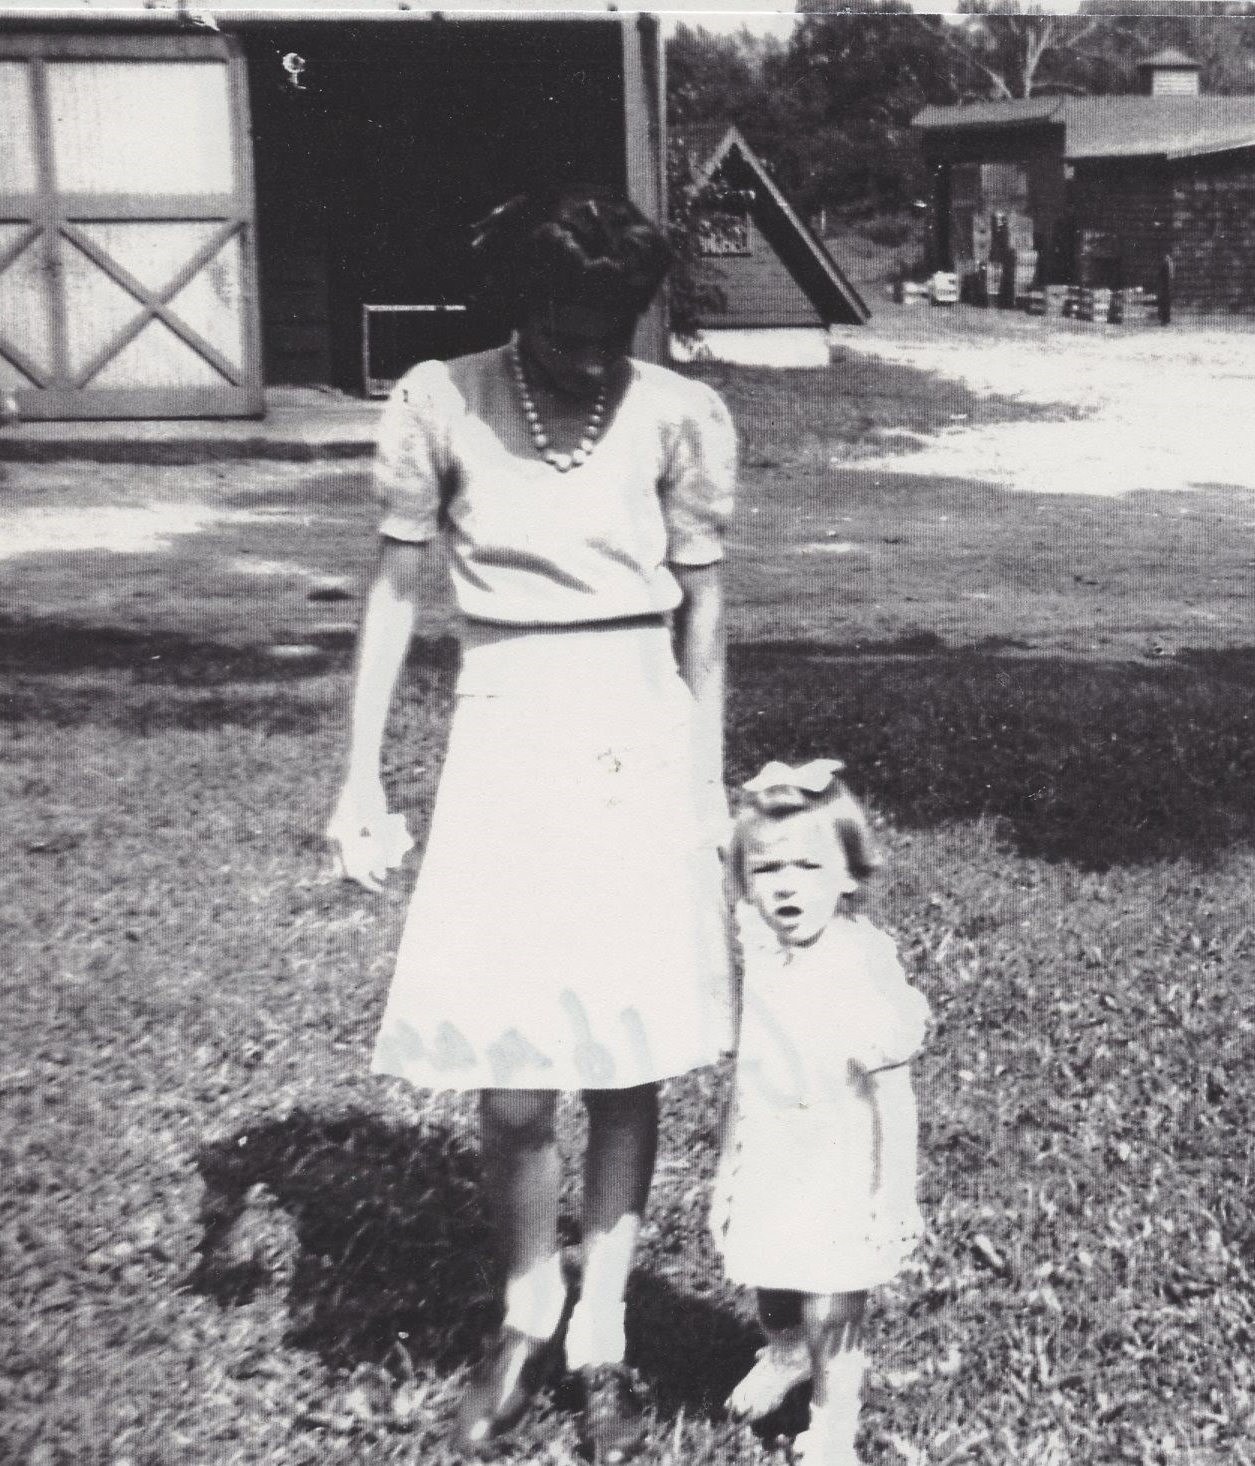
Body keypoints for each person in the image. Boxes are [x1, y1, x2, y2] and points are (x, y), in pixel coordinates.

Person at [326, 190, 737, 1461]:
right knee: (512, 1081)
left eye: (612, 326)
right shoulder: (439, 401)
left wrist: (705, 781)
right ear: (520, 303)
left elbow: (703, 618)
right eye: (565, 326)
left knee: (624, 1048)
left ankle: (603, 1321)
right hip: (504, 723)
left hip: (633, 724)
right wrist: (358, 775)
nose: (588, 350)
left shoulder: (680, 414)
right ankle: (525, 1303)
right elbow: (394, 597)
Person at [709, 760, 930, 1466]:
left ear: (847, 875)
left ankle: (834, 1426)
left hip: (840, 1165)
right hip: (772, 1153)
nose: (787, 886)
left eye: (809, 866)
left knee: (833, 1307)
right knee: (771, 1278)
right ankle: (784, 1352)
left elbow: (896, 1094)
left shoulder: (862, 965)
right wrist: (725, 1170)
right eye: (768, 871)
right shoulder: (762, 950)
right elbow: (745, 1080)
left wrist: (895, 1195)